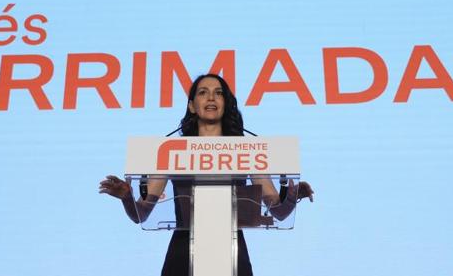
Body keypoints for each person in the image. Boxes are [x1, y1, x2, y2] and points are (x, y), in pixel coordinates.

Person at [99, 73, 314, 276]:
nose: (211, 97)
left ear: (226, 104)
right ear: (192, 106)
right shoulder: (171, 150)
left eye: (218, 93)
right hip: (183, 252)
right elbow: (141, 215)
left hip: (232, 251)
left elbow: (278, 212)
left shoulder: (246, 150)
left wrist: (292, 197)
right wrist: (127, 197)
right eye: (203, 92)